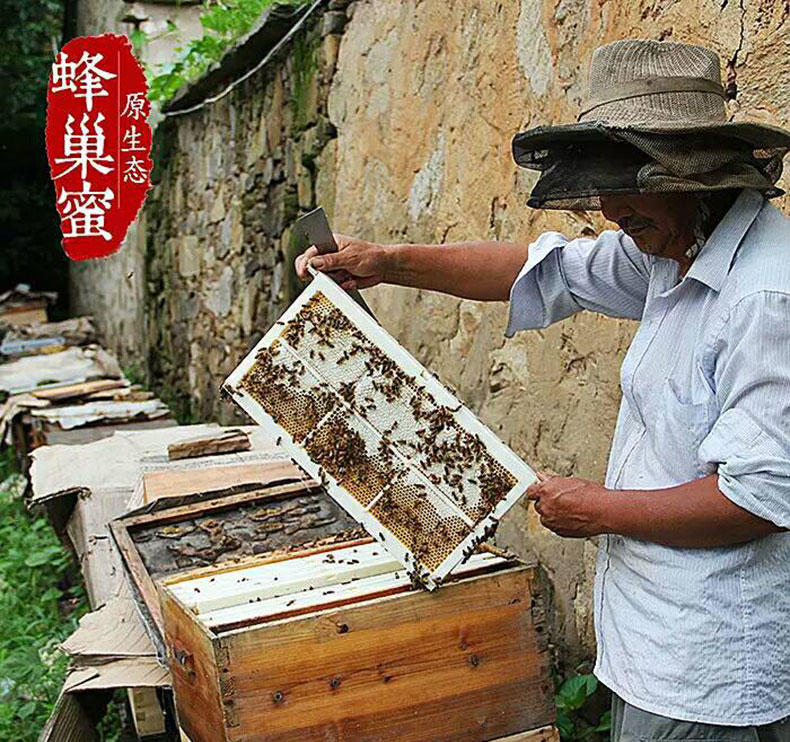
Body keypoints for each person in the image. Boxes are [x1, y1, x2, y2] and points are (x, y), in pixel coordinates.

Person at [294, 39, 790, 739]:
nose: (612, 205)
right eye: (605, 176)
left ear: (695, 171)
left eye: (631, 178)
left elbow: (758, 499)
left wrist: (599, 509)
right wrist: (385, 262)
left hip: (707, 671)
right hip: (654, 645)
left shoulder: (765, 296)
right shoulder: (671, 247)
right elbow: (543, 271)